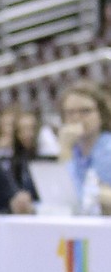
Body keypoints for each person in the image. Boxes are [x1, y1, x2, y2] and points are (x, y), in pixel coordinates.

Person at [56, 80, 111, 215]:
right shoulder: (73, 149)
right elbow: (60, 197)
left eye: (85, 111)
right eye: (70, 112)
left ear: (101, 115)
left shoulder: (107, 149)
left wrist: (65, 150)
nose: (77, 118)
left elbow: (79, 197)